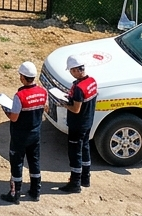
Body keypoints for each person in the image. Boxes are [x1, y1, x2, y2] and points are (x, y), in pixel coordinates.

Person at [0, 61, 47, 204]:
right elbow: (46, 108)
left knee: (17, 164)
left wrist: (6, 110)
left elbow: (14, 118)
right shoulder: (42, 92)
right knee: (34, 162)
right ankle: (35, 191)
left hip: (20, 136)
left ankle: (15, 194)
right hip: (35, 134)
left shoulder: (19, 96)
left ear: (22, 77)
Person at [58, 54, 98, 193]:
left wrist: (64, 104)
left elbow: (76, 109)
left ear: (76, 70)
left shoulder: (79, 88)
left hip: (77, 125)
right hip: (88, 121)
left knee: (75, 153)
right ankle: (85, 178)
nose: (71, 73)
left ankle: (75, 183)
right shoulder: (92, 81)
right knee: (85, 148)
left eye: (71, 71)